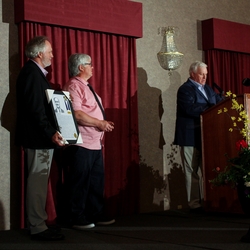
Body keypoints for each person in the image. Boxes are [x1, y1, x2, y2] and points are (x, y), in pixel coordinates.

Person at [15, 36, 65, 240]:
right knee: (37, 183)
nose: (53, 54)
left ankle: (40, 223)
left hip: (40, 138)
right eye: (50, 51)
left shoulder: (36, 74)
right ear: (39, 54)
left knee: (39, 182)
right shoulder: (31, 74)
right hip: (37, 138)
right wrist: (50, 132)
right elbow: (36, 110)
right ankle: (37, 226)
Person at [62, 53, 115, 230]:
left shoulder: (86, 86)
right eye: (90, 64)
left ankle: (96, 213)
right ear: (80, 67)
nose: (93, 67)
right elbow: (76, 114)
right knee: (80, 183)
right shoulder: (73, 86)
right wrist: (100, 123)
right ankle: (76, 216)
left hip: (95, 143)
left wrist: (102, 124)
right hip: (81, 144)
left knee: (95, 182)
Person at [174, 61, 224, 212]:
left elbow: (218, 102)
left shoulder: (208, 89)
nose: (204, 77)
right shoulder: (185, 89)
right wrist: (210, 107)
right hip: (190, 136)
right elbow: (190, 109)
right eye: (202, 74)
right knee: (192, 171)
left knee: (209, 169)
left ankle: (212, 201)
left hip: (207, 136)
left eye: (206, 75)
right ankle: (195, 204)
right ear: (192, 74)